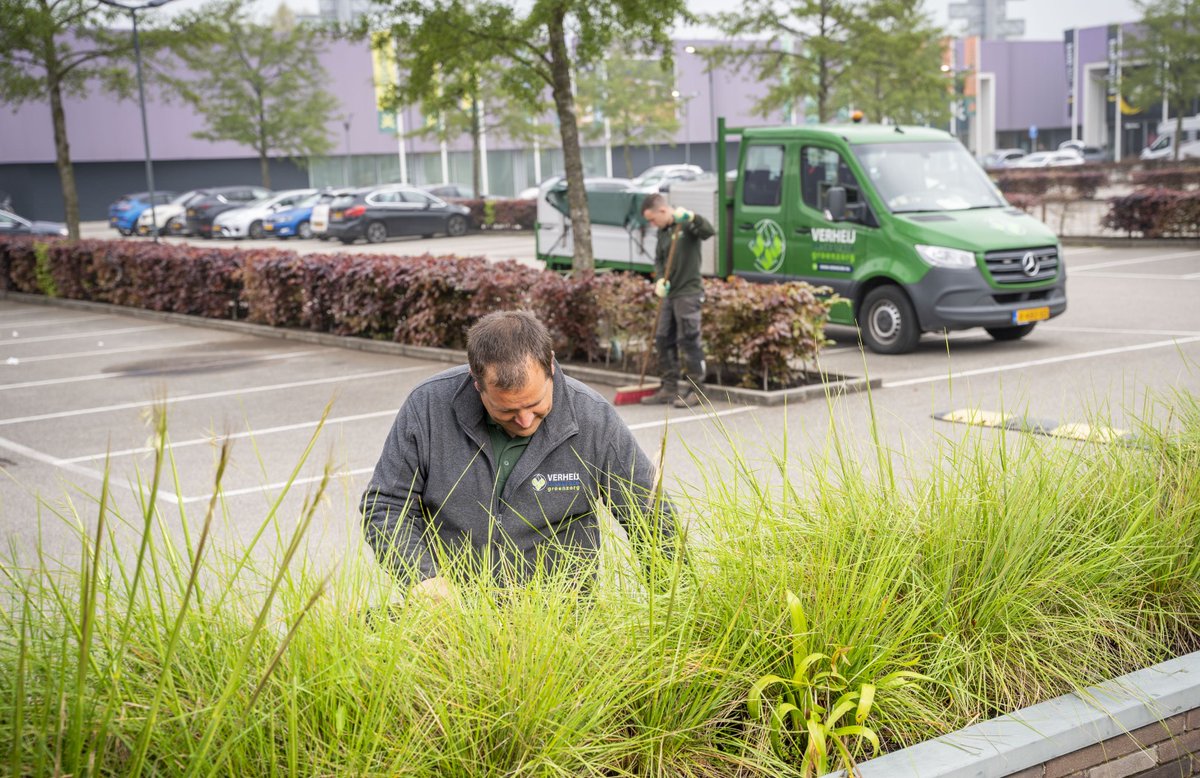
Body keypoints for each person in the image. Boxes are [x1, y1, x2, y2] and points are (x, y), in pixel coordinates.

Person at [360, 310, 678, 602]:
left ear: (550, 365)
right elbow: (385, 507)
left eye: (536, 403)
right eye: (507, 409)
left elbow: (652, 519)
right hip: (453, 619)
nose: (525, 420)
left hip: (563, 621)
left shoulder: (593, 419)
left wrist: (676, 616)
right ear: (476, 381)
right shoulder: (427, 407)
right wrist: (422, 580)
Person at [639, 192, 715, 408]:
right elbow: (660, 260)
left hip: (688, 293)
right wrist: (660, 278)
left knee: (689, 339)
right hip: (670, 294)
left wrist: (693, 217)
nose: (653, 224)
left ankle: (698, 391)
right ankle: (669, 388)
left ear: (662, 210)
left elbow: (708, 231)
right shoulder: (664, 233)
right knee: (663, 338)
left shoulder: (686, 226)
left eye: (653, 219)